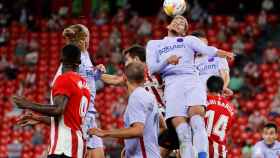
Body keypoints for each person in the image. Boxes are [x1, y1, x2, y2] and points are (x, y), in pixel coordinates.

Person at [146, 15, 234, 158]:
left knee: (197, 122)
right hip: (171, 85)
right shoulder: (154, 44)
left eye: (183, 23)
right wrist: (167, 61)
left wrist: (225, 54)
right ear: (168, 26)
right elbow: (152, 68)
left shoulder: (189, 40)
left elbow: (208, 50)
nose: (179, 22)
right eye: (177, 20)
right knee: (183, 133)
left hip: (192, 81)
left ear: (184, 32)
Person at [14, 44, 91, 158]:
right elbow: (67, 120)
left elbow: (58, 110)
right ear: (78, 62)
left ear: (61, 59)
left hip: (63, 149)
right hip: (77, 148)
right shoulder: (85, 86)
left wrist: (28, 104)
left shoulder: (65, 78)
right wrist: (38, 118)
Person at [88, 62, 161, 158]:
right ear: (144, 79)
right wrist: (130, 146)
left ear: (125, 78)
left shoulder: (136, 97)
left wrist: (104, 133)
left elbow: (138, 131)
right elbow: (162, 126)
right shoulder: (150, 96)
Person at [192, 31, 233, 96]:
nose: (200, 46)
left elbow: (225, 76)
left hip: (215, 94)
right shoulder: (191, 61)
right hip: (199, 96)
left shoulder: (218, 56)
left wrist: (221, 90)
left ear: (206, 42)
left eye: (201, 43)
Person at [205, 76, 235, 158]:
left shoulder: (201, 102)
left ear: (207, 88)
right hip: (219, 152)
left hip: (200, 150)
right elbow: (226, 130)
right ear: (222, 89)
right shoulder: (231, 109)